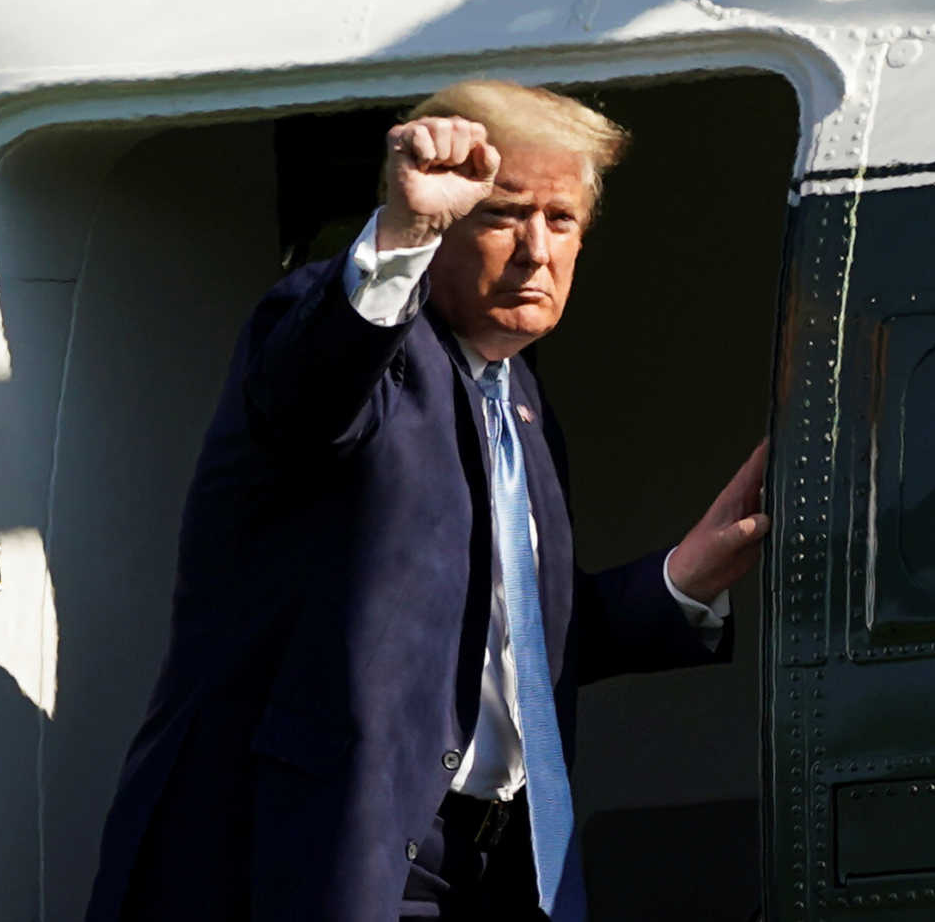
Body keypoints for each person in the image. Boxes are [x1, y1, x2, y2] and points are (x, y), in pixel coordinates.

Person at [86, 80, 769, 921]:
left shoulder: (518, 399)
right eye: (502, 214)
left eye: (562, 221)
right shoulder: (353, 340)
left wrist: (682, 579)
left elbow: (497, 634)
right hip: (336, 858)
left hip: (494, 863)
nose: (536, 250)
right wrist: (401, 236)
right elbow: (309, 394)